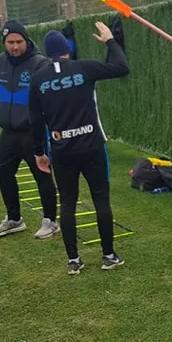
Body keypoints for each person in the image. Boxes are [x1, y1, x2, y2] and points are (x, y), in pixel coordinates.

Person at [29, 22, 129, 274]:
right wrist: (110, 41)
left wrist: (39, 152)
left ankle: (74, 260)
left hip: (62, 150)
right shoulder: (83, 67)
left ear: (46, 53)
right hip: (92, 146)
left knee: (68, 203)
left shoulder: (38, 79)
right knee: (100, 198)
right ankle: (108, 255)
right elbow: (121, 67)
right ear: (68, 49)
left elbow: (35, 119)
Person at [0, 21, 59, 239]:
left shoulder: (40, 63)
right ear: (4, 43)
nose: (15, 46)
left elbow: (49, 96)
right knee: (3, 173)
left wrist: (37, 121)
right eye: (10, 42)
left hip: (33, 132)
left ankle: (50, 220)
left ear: (26, 40)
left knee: (42, 174)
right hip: (9, 132)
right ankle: (14, 219)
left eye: (19, 41)